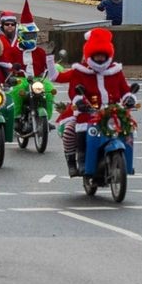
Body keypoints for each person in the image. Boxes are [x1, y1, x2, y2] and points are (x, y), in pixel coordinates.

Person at [51, 28, 135, 176]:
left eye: (103, 56)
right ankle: (78, 161)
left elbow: (124, 88)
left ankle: (127, 162)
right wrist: (80, 102)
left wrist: (129, 98)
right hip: (88, 111)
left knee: (127, 128)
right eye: (97, 56)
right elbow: (73, 91)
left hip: (113, 111)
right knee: (73, 130)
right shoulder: (80, 71)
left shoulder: (115, 70)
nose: (100, 59)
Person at [10, 0, 55, 119]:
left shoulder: (40, 51)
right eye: (28, 35)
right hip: (21, 80)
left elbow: (47, 67)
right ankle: (16, 117)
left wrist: (52, 68)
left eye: (33, 35)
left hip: (37, 80)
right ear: (20, 35)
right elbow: (7, 66)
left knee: (50, 91)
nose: (31, 38)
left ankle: (46, 118)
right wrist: (11, 75)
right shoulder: (13, 51)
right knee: (17, 92)